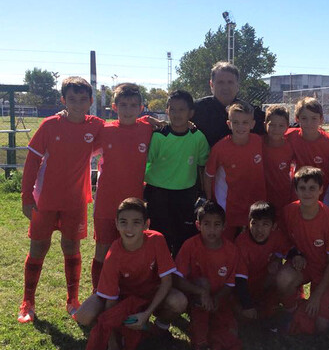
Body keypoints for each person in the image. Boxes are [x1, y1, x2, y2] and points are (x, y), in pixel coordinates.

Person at [18, 77, 104, 323]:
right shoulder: (49, 125)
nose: (78, 104)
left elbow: (120, 127)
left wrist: (147, 122)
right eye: (72, 99)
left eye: (83, 99)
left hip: (75, 202)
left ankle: (72, 300)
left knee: (71, 248)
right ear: (63, 100)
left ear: (90, 101)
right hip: (44, 200)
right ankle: (28, 303)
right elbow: (32, 161)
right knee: (38, 248)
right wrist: (26, 197)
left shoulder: (96, 125)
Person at [75, 197, 185, 350]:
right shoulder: (113, 255)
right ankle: (121, 332)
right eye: (124, 222)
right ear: (117, 224)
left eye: (136, 222)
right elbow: (111, 302)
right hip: (122, 300)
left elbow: (167, 282)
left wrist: (146, 313)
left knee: (179, 302)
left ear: (146, 224)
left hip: (150, 296)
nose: (129, 228)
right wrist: (112, 345)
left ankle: (160, 328)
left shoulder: (157, 240)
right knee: (83, 315)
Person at [91, 83, 154, 291]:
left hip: (134, 203)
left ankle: (126, 292)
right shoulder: (104, 129)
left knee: (131, 248)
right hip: (106, 202)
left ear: (141, 108)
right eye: (123, 105)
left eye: (133, 105)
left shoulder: (148, 128)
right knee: (103, 249)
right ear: (114, 107)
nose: (128, 110)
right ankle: (98, 293)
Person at [173, 201, 243, 350]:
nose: (212, 230)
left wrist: (217, 299)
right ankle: (201, 345)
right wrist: (200, 292)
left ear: (224, 226)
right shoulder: (190, 245)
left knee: (231, 335)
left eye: (217, 225)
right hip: (195, 298)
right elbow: (176, 279)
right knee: (203, 287)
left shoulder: (231, 250)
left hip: (219, 298)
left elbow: (230, 283)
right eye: (207, 224)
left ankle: (210, 334)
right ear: (198, 225)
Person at [276, 166, 329, 334]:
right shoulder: (289, 211)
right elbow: (282, 238)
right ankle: (292, 312)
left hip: (325, 272)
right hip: (303, 267)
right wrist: (294, 253)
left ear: (321, 189)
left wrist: (316, 296)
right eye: (302, 188)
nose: (307, 193)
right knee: (283, 278)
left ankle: (315, 305)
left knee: (321, 327)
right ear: (296, 190)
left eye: (312, 188)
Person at [144, 90, 210, 256]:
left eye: (182, 110)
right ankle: (160, 274)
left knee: (183, 237)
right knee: (160, 236)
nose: (177, 114)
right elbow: (145, 163)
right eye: (172, 109)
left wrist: (204, 193)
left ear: (191, 113)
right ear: (166, 111)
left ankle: (179, 275)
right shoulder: (159, 136)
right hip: (158, 193)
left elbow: (203, 166)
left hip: (186, 194)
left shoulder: (198, 137)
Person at [204, 100, 267, 240]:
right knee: (226, 243)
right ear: (229, 124)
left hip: (254, 203)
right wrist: (209, 200)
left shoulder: (258, 141)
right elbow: (208, 175)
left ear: (252, 124)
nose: (240, 126)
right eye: (236, 122)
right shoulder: (220, 149)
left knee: (251, 243)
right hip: (228, 206)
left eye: (245, 122)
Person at [234, 201, 290, 319]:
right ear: (248, 224)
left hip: (263, 282)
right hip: (243, 286)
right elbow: (240, 280)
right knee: (240, 313)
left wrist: (293, 257)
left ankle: (288, 305)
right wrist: (247, 306)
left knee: (270, 312)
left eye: (265, 224)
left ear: (273, 226)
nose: (259, 229)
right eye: (254, 224)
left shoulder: (276, 236)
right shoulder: (241, 243)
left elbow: (289, 250)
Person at [193, 61, 265, 147]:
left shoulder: (251, 112)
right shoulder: (195, 110)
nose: (225, 87)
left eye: (230, 82)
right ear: (211, 85)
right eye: (220, 82)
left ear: (237, 85)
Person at [285, 97, 329, 203]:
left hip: (321, 195)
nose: (309, 123)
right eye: (304, 118)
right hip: (298, 193)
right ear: (297, 119)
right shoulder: (289, 136)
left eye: (314, 118)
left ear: (321, 119)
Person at [262, 104, 296, 213]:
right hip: (261, 195)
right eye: (272, 125)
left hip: (283, 195)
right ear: (265, 125)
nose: (276, 129)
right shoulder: (257, 143)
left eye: (281, 125)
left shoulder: (291, 145)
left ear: (287, 127)